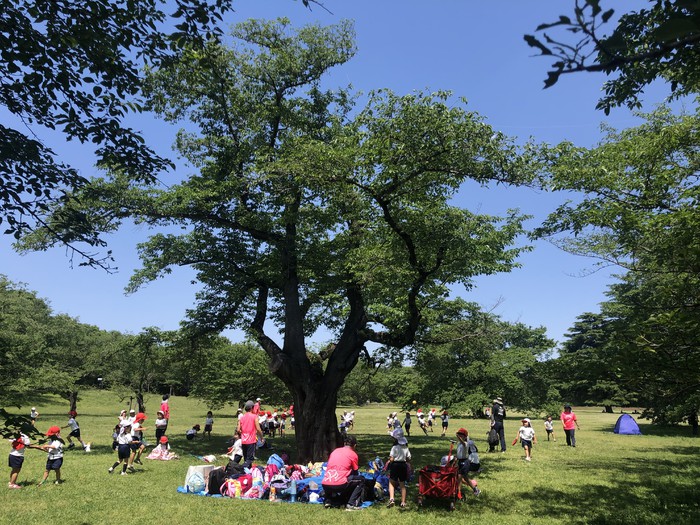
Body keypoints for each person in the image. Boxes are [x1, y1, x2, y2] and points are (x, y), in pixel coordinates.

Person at [321, 435, 365, 511]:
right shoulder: (353, 454)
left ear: (344, 443)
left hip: (325, 484)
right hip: (339, 484)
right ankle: (351, 504)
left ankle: (328, 500)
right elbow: (355, 472)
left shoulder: (335, 451)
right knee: (361, 480)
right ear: (354, 445)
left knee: (339, 479)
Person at [384, 427, 411, 509]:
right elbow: (408, 458)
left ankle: (392, 499)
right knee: (402, 484)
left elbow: (392, 458)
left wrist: (389, 460)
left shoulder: (394, 447)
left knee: (392, 482)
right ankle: (403, 502)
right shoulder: (405, 448)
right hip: (403, 465)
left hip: (395, 465)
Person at [455, 428, 481, 496]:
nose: (460, 437)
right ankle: (475, 489)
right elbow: (459, 453)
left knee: (459, 477)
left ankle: (459, 493)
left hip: (464, 462)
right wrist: (455, 458)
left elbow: (463, 443)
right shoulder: (458, 444)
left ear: (465, 437)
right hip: (460, 461)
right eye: (459, 435)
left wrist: (458, 436)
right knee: (465, 478)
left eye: (462, 435)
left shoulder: (466, 443)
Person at [237, 400, 262, 468]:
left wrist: (242, 433)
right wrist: (261, 437)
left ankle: (248, 473)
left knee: (246, 459)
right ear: (252, 408)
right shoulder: (254, 416)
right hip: (251, 441)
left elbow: (238, 429)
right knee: (250, 459)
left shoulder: (242, 417)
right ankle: (242, 468)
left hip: (243, 441)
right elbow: (258, 428)